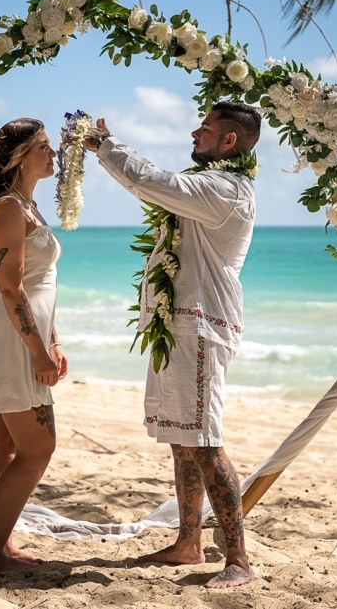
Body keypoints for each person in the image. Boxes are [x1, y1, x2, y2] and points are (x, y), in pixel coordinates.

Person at [83, 101, 260, 589]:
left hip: (201, 328)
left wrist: (107, 147)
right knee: (185, 440)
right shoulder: (212, 185)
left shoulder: (226, 189)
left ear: (229, 141)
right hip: (179, 326)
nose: (193, 133)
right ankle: (188, 543)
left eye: (204, 129)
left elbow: (155, 183)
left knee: (205, 442)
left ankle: (239, 560)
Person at [0, 118, 68, 573]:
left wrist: (55, 340)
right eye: (44, 147)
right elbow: (10, 288)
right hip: (11, 336)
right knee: (39, 447)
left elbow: (42, 283)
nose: (54, 155)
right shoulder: (9, 207)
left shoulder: (29, 206)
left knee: (6, 444)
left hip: (24, 333)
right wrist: (37, 352)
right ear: (19, 156)